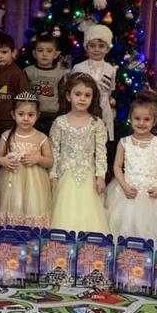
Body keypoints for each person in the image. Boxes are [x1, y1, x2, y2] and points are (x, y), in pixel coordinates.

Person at [105, 91, 157, 243]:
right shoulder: (124, 142)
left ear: (154, 121)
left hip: (151, 193)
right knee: (125, 227)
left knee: (149, 230)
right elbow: (117, 167)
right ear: (131, 118)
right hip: (128, 191)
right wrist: (124, 186)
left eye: (147, 119)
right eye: (137, 119)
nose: (141, 123)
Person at [50, 73, 109, 235]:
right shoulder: (59, 122)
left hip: (88, 176)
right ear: (68, 96)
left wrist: (100, 176)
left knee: (88, 213)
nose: (82, 99)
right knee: (64, 212)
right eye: (78, 94)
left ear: (92, 98)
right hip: (65, 175)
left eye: (87, 95)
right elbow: (54, 150)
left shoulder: (97, 123)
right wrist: (53, 175)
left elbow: (101, 152)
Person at [0, 92, 53, 227]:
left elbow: (50, 161)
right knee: (14, 205)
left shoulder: (41, 137)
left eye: (30, 115)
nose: (26, 118)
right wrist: (3, 161)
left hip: (35, 183)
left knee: (32, 206)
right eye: (21, 114)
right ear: (13, 114)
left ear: (37, 115)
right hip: (11, 180)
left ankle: (32, 234)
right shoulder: (7, 135)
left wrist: (38, 158)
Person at [0, 33, 30, 135]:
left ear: (13, 53)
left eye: (4, 52)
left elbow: (24, 99)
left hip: (10, 124)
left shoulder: (17, 74)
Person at [25, 33, 66, 135]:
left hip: (53, 116)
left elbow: (63, 96)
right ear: (34, 53)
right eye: (40, 51)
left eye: (49, 51)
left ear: (56, 54)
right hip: (32, 115)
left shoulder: (60, 73)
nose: (44, 54)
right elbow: (23, 93)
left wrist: (62, 115)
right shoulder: (28, 71)